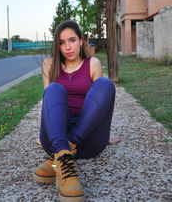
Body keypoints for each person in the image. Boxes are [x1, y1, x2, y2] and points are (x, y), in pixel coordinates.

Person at [34, 20, 120, 202]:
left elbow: (100, 102)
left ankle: (63, 155)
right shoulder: (49, 63)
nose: (68, 47)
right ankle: (64, 157)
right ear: (57, 45)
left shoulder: (93, 63)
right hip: (56, 138)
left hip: (88, 141)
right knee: (53, 90)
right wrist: (46, 133)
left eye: (72, 40)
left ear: (81, 41)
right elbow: (48, 104)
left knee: (105, 84)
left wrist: (107, 134)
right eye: (62, 42)